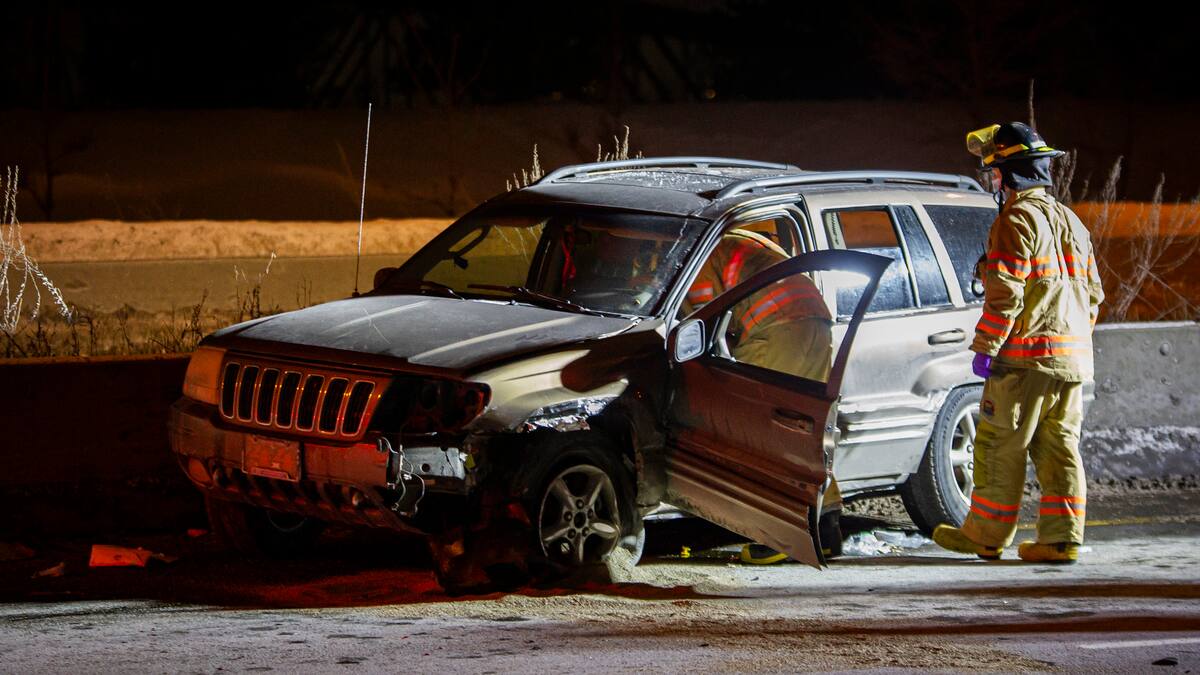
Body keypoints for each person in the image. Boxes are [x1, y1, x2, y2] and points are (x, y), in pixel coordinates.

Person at [933, 122, 1105, 563]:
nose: (994, 182)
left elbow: (1005, 295)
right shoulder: (1072, 222)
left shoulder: (1015, 220)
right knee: (1060, 447)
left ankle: (985, 535)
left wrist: (986, 349)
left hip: (1024, 361)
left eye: (996, 173)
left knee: (997, 446)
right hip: (1072, 362)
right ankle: (1061, 539)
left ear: (1009, 175)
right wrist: (1073, 344)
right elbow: (1094, 295)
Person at [682, 226, 842, 562]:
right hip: (815, 323)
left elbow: (697, 320)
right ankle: (826, 526)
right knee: (801, 430)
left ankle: (782, 536)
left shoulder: (696, 254)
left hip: (774, 327)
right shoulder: (734, 237)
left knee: (764, 435)